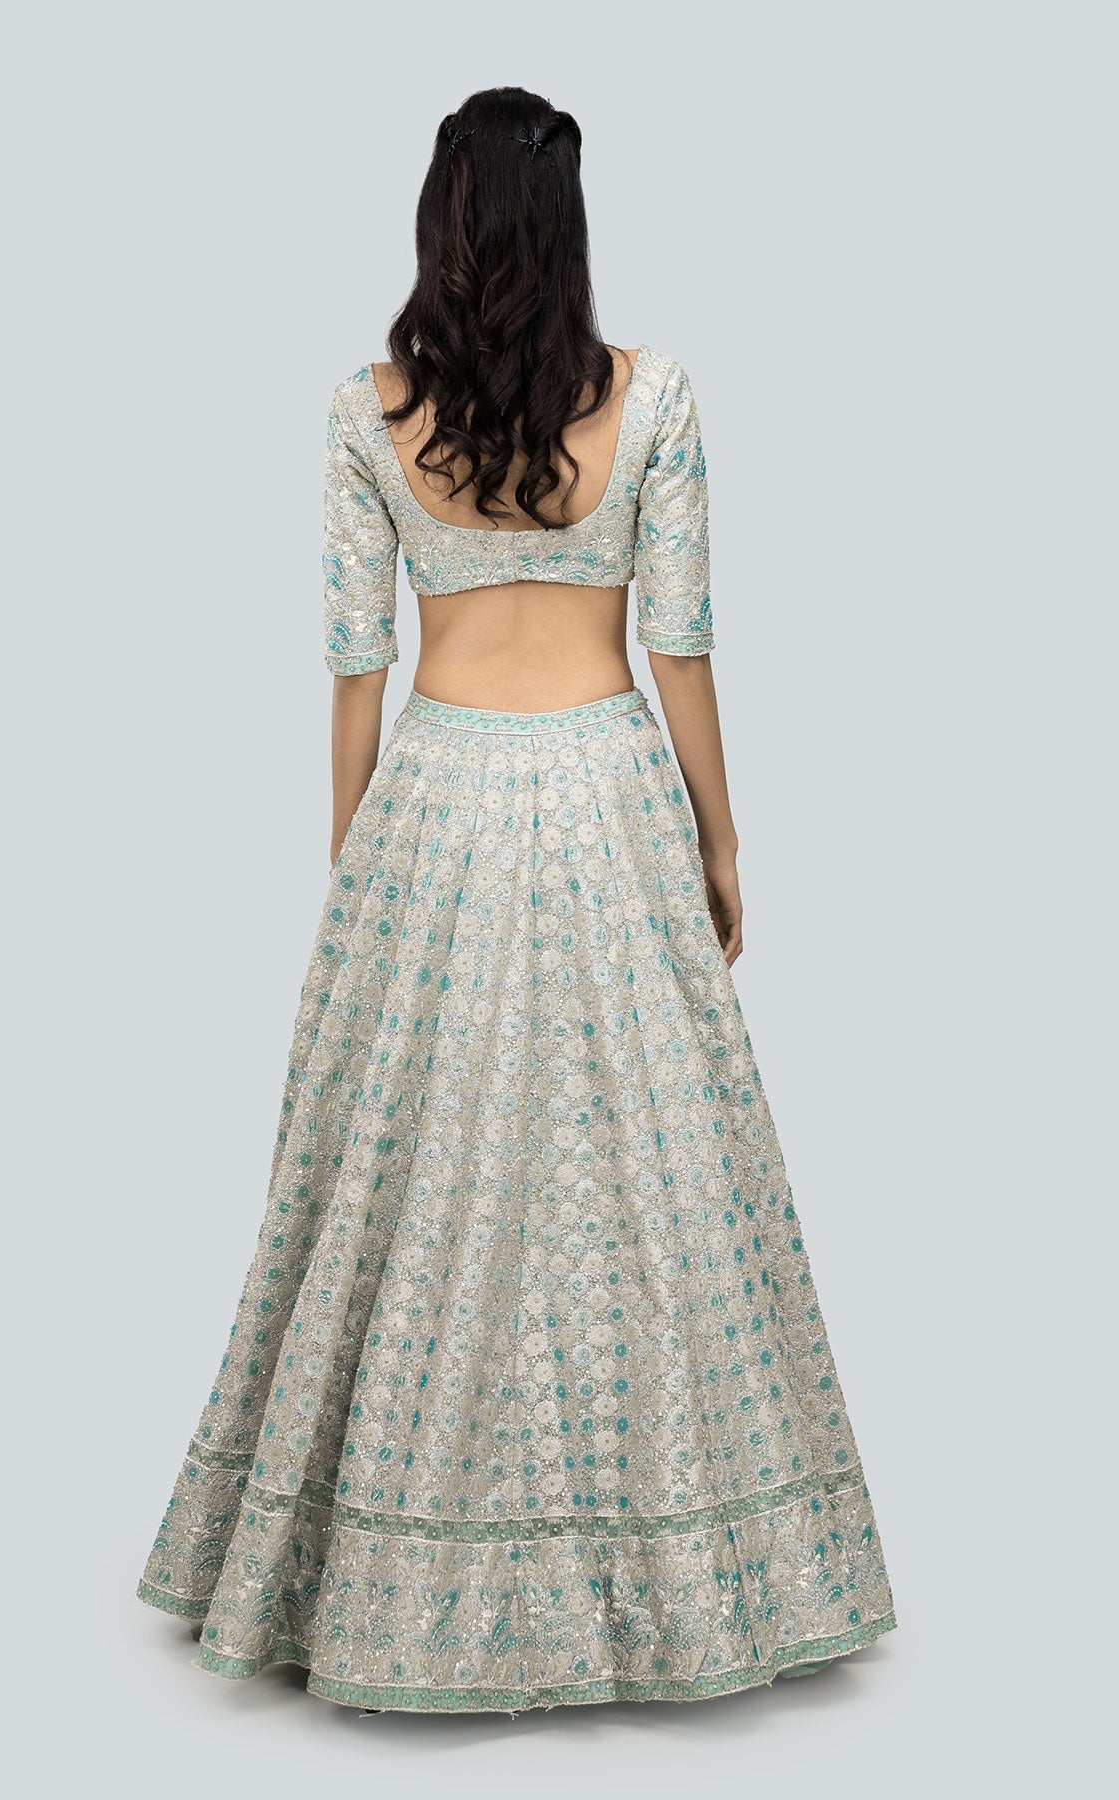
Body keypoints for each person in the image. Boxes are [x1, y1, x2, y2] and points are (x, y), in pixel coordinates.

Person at [136, 84, 896, 1716]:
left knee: (410, 1170)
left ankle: (363, 1557)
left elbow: (357, 665)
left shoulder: (368, 414)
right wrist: (721, 837)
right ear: (568, 226)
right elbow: (681, 645)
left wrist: (352, 859)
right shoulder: (655, 396)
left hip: (437, 794)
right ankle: (679, 1561)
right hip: (613, 787)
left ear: (444, 220)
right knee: (652, 1177)